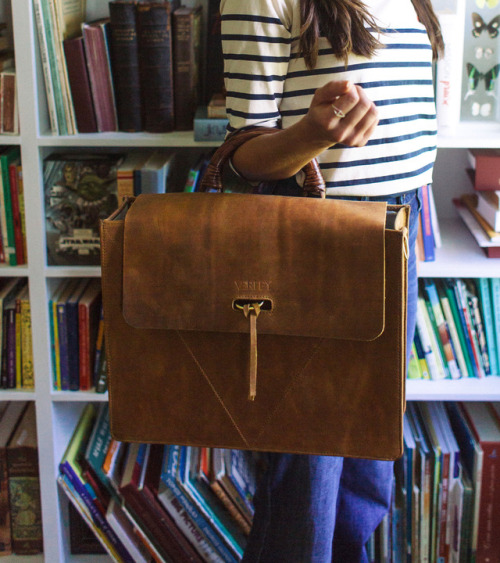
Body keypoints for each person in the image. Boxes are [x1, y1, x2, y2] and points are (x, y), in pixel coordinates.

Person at [219, 0, 443, 561]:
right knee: (308, 487)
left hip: (397, 236)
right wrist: (314, 135)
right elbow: (239, 158)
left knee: (366, 479)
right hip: (319, 245)